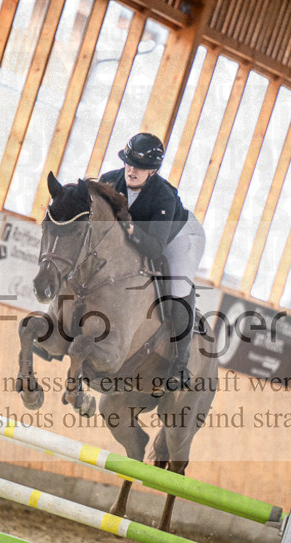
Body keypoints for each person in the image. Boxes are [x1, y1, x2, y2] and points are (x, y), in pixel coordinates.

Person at [99, 133, 206, 390]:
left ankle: (180, 363)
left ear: (153, 171)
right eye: (129, 162)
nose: (132, 170)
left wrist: (131, 228)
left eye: (140, 166)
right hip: (145, 234)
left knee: (178, 286)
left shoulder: (163, 196)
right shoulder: (108, 181)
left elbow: (156, 248)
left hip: (179, 237)